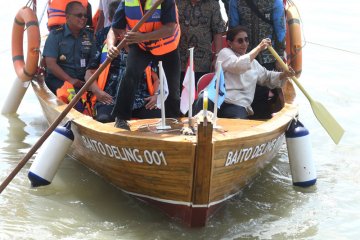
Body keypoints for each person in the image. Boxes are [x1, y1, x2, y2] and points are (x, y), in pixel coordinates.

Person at [107, 0, 181, 129]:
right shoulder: (127, 1)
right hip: (141, 46)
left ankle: (172, 120)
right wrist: (111, 46)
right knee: (130, 74)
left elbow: (169, 29)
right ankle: (121, 118)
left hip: (166, 46)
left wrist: (143, 37)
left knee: (172, 85)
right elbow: (115, 27)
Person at [193, 26, 294, 119]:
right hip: (216, 98)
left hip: (237, 103)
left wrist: (284, 74)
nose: (244, 44)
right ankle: (194, 130)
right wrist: (258, 48)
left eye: (246, 40)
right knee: (203, 99)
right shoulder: (225, 53)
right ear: (230, 43)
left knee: (238, 120)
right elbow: (238, 65)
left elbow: (267, 77)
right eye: (240, 41)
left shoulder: (253, 62)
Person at [228, 0, 286, 119]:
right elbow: (233, 28)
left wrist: (279, 57)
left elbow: (280, 30)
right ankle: (243, 119)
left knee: (261, 93)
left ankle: (259, 122)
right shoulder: (235, 1)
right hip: (244, 55)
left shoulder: (275, 2)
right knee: (244, 90)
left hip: (267, 55)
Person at [43, 1, 97, 113]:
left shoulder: (90, 36)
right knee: (77, 104)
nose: (83, 18)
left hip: (82, 82)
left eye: (85, 16)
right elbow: (51, 64)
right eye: (79, 15)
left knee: (96, 103)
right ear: (67, 17)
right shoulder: (56, 35)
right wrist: (71, 80)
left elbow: (94, 61)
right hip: (60, 80)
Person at [176, 0, 226, 86]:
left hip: (202, 60)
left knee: (200, 93)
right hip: (179, 59)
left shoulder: (212, 3)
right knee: (180, 94)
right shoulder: (176, 2)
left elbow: (217, 31)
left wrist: (217, 57)